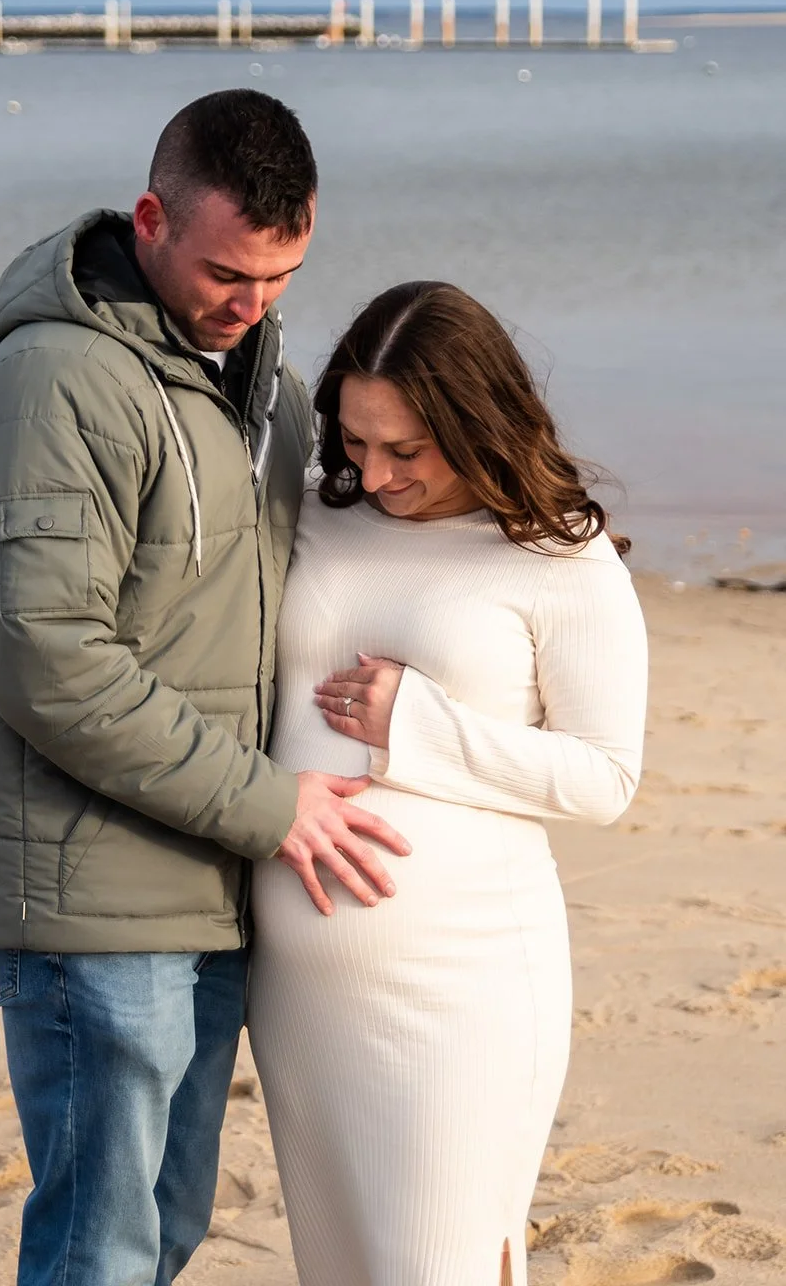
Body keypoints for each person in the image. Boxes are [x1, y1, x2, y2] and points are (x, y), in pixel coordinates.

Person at [0, 89, 409, 1286]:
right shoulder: (55, 385)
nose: (252, 305)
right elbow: (49, 660)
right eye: (226, 274)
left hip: (205, 879)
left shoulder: (259, 381)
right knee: (99, 1248)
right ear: (149, 218)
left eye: (281, 275)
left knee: (164, 1229)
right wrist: (275, 807)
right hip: (93, 892)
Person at [248, 280, 648, 1286]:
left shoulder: (561, 558)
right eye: (353, 440)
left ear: (475, 423)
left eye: (405, 450)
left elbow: (603, 778)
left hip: (459, 984)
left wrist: (417, 728)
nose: (372, 473)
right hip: (299, 988)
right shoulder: (321, 514)